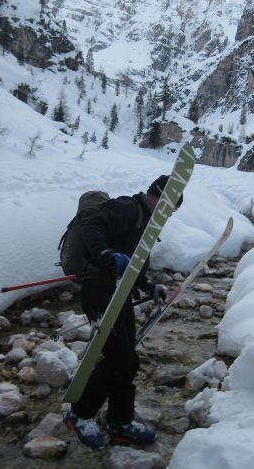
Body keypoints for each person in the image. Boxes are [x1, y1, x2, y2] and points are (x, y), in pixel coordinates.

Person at [63, 175, 183, 449]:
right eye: (170, 209)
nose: (168, 216)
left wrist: (148, 286)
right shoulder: (128, 208)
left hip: (119, 294)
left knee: (129, 361)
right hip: (99, 292)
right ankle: (79, 413)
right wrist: (105, 253)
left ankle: (121, 420)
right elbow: (93, 226)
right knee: (117, 360)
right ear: (158, 197)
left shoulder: (145, 225)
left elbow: (134, 265)